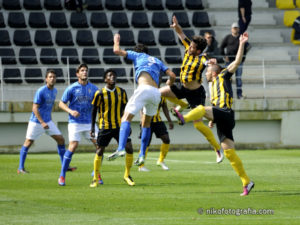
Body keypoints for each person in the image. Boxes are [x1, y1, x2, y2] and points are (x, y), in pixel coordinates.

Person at [172, 32, 255, 196]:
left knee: (201, 110)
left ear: (215, 72)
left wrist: (242, 43)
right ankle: (247, 182)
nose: (206, 73)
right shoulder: (211, 87)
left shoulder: (223, 75)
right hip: (222, 116)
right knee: (229, 153)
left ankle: (183, 117)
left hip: (226, 112)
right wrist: (212, 119)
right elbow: (215, 104)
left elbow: (237, 61)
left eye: (208, 71)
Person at [107, 33, 176, 167]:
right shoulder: (157, 60)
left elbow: (116, 50)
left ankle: (121, 148)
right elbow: (172, 75)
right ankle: (142, 155)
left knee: (125, 118)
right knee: (146, 124)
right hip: (156, 93)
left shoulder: (138, 55)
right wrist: (169, 84)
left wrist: (116, 40)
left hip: (144, 89)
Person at [160, 15, 223, 163]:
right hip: (182, 88)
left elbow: (209, 63)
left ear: (199, 50)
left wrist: (212, 62)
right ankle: (182, 106)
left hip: (196, 94)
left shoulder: (202, 59)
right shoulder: (189, 47)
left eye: (193, 48)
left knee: (198, 125)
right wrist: (176, 26)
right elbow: (181, 34)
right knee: (160, 92)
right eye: (190, 46)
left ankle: (217, 149)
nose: (189, 48)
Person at [17, 70, 76, 174]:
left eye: (54, 77)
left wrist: (49, 120)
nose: (52, 78)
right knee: (28, 142)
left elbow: (48, 107)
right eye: (50, 77)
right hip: (36, 122)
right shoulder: (41, 91)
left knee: (61, 139)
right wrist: (42, 122)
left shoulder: (55, 91)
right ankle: (20, 168)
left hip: (48, 121)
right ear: (46, 79)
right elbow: (34, 108)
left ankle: (65, 166)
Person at [90, 69, 135, 187]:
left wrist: (127, 124)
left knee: (129, 148)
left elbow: (126, 110)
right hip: (105, 127)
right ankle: (95, 178)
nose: (112, 77)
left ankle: (127, 175)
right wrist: (92, 128)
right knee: (100, 150)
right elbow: (94, 111)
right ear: (105, 79)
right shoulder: (99, 93)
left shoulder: (122, 92)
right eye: (110, 75)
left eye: (114, 75)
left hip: (119, 127)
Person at [58, 64, 98, 186]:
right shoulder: (72, 88)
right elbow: (61, 103)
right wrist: (70, 111)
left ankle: (96, 173)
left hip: (89, 122)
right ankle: (62, 175)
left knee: (100, 146)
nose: (85, 72)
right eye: (82, 71)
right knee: (73, 146)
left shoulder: (94, 88)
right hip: (75, 122)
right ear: (77, 74)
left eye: (86, 70)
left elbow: (99, 104)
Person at [138, 95, 174, 172]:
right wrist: (142, 118)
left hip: (158, 121)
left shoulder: (161, 94)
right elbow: (141, 107)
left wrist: (169, 120)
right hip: (147, 121)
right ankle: (141, 165)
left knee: (166, 139)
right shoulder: (147, 92)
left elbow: (164, 107)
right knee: (146, 143)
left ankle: (161, 161)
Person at [220, 22, 247, 99]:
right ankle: (228, 95)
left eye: (236, 28)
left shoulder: (241, 38)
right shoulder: (228, 37)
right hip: (229, 62)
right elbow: (221, 47)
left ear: (238, 29)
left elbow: (244, 50)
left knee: (238, 78)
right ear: (231, 29)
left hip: (239, 62)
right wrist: (224, 56)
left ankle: (239, 95)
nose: (235, 29)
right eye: (234, 28)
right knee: (227, 78)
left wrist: (242, 59)